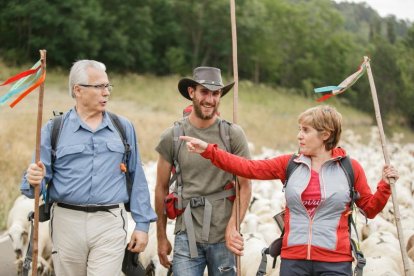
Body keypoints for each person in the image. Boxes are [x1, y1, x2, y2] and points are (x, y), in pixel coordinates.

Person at [180, 105, 399, 276]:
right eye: (299, 130)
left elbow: (369, 209)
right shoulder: (290, 164)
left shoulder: (350, 169)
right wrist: (209, 150)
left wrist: (385, 187)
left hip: (336, 263)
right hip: (293, 261)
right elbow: (248, 167)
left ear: (325, 134)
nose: (299, 136)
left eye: (306, 130)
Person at [21, 60, 157, 275]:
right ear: (78, 90)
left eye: (108, 86)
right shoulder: (54, 129)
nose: (106, 93)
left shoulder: (123, 127)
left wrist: (142, 225)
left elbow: (136, 177)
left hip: (110, 221)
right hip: (66, 221)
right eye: (99, 87)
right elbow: (34, 185)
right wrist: (33, 178)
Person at [155, 66, 252, 276]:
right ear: (192, 93)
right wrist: (161, 237)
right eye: (204, 92)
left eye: (215, 93)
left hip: (224, 235)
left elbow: (245, 186)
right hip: (186, 234)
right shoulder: (172, 136)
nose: (210, 99)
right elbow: (161, 188)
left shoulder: (232, 135)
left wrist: (233, 227)